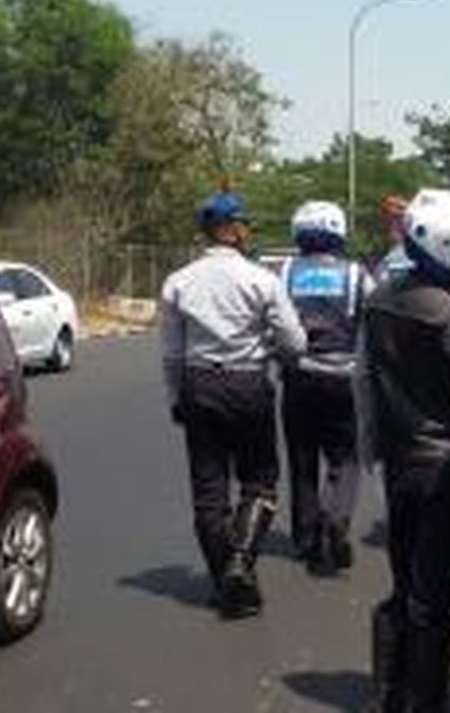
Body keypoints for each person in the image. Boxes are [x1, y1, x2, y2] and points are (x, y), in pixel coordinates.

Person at [356, 189, 450, 713]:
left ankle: (389, 696)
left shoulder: (379, 300)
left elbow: (363, 384)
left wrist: (371, 449)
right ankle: (422, 701)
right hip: (448, 465)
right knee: (435, 597)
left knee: (405, 582)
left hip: (399, 461)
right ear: (444, 252)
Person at [160, 190, 307, 619]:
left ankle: (226, 580)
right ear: (235, 229)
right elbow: (294, 342)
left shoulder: (178, 282)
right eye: (245, 224)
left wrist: (175, 399)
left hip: (197, 386)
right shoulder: (261, 280)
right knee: (260, 482)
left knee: (209, 493)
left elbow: (171, 353)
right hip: (248, 387)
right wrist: (282, 353)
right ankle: (240, 563)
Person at [280, 200, 373, 573]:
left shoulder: (282, 272)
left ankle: (305, 537)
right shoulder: (357, 275)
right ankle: (336, 519)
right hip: (343, 378)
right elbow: (373, 323)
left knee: (302, 459)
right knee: (345, 457)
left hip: (298, 376)